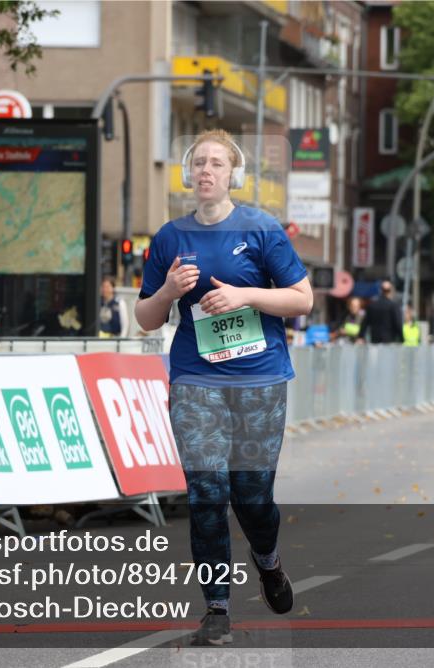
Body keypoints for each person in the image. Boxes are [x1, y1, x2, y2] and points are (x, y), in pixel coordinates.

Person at [135, 129, 313, 646]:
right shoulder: (170, 237)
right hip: (196, 380)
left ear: (234, 174)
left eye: (217, 163)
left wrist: (245, 296)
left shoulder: (261, 229)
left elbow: (302, 299)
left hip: (259, 380)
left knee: (252, 497)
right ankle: (216, 608)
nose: (207, 171)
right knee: (207, 493)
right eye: (199, 163)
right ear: (188, 174)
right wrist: (167, 291)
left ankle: (268, 561)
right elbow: (146, 318)